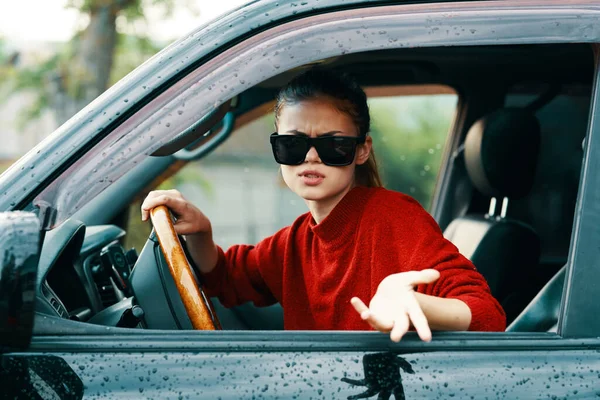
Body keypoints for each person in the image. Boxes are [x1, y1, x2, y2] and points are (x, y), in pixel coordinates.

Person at [141, 68, 506, 342]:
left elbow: (488, 316)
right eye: (293, 145)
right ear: (277, 150)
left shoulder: (393, 217)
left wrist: (416, 305)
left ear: (362, 150)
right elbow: (228, 277)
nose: (311, 157)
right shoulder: (297, 240)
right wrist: (202, 231)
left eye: (333, 145)